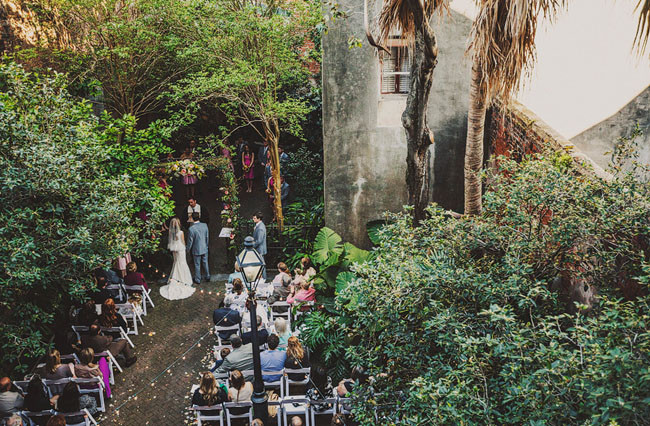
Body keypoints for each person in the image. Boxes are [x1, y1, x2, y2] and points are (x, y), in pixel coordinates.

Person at [160, 218, 196, 300]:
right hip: (180, 250)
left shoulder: (171, 232)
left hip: (174, 250)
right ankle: (183, 279)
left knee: (176, 263)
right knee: (182, 263)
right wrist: (186, 248)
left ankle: (176, 279)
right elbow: (183, 242)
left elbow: (172, 242)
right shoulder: (181, 232)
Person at [186, 212, 210, 284]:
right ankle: (208, 276)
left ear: (192, 219)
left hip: (196, 249)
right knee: (205, 263)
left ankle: (197, 279)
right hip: (204, 247)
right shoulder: (205, 225)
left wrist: (187, 249)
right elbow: (207, 237)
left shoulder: (191, 229)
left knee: (197, 264)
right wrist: (206, 245)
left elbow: (190, 241)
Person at [252, 212, 267, 279]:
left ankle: (263, 278)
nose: (253, 219)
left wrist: (252, 246)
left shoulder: (260, 227)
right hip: (259, 248)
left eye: (254, 218)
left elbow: (259, 240)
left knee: (261, 264)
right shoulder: (259, 226)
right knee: (260, 264)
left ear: (259, 219)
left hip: (260, 249)